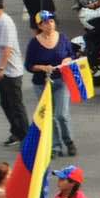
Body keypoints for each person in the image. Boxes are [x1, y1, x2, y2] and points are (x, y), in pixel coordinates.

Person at [25, 11, 77, 157]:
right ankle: (56, 146)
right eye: (46, 22)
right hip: (42, 84)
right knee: (50, 116)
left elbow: (71, 55)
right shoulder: (34, 43)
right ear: (40, 26)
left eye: (52, 21)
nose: (50, 24)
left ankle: (69, 141)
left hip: (61, 81)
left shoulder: (62, 38)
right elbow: (29, 65)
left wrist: (68, 60)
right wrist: (42, 67)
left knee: (62, 115)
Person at [0, 0, 27, 147]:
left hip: (10, 73)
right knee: (6, 103)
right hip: (4, 72)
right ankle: (17, 132)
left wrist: (1, 69)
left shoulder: (5, 22)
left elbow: (7, 49)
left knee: (16, 106)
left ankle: (26, 137)